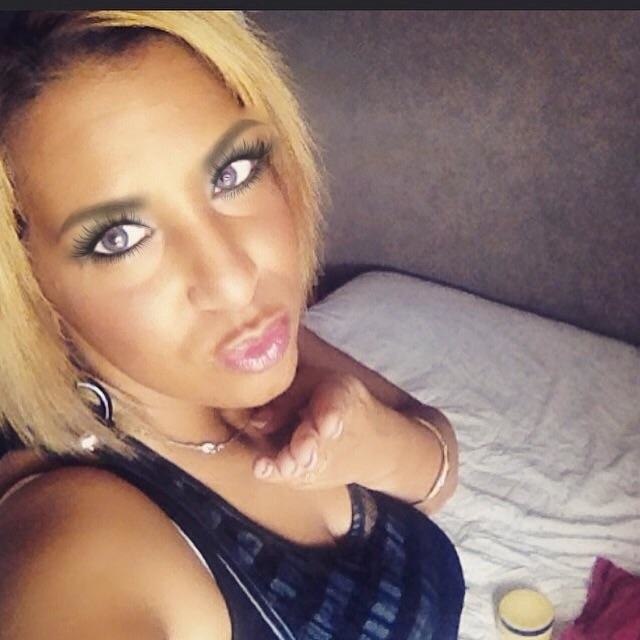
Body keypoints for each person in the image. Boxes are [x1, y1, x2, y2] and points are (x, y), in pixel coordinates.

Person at [0, 10, 464, 639]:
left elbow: (435, 460)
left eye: (233, 173)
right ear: (28, 285)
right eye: (120, 237)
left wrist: (379, 445)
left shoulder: (246, 346)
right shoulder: (77, 541)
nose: (234, 279)